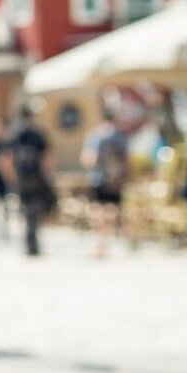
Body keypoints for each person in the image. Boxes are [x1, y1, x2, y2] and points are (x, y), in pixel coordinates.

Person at [80, 104, 130, 258]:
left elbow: (88, 159)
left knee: (98, 210)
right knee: (111, 210)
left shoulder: (95, 135)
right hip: (116, 179)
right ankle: (106, 241)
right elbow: (126, 160)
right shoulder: (120, 135)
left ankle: (99, 243)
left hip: (98, 178)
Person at [9, 103, 55, 258]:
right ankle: (32, 243)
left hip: (22, 178)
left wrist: (12, 177)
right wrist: (46, 175)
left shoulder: (15, 134)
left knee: (27, 210)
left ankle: (30, 243)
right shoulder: (37, 134)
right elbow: (46, 158)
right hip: (35, 178)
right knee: (34, 210)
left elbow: (8, 158)